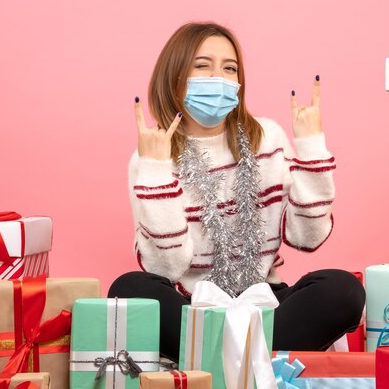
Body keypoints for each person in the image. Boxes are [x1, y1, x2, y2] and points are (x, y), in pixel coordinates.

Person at [108, 22, 365, 361]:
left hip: (266, 302)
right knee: (128, 290)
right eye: (203, 65)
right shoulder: (149, 158)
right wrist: (155, 170)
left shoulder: (268, 137)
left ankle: (213, 360)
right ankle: (251, 361)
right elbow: (166, 267)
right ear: (174, 76)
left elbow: (308, 236)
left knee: (343, 289)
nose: (218, 78)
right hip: (193, 307)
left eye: (229, 68)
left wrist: (311, 146)